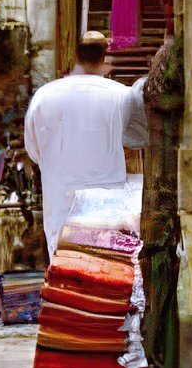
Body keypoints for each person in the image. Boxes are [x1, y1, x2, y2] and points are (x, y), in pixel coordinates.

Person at [22, 31, 148, 258]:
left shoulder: (44, 96)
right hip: (108, 211)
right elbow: (139, 142)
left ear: (75, 55)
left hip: (61, 206)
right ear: (104, 55)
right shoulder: (122, 95)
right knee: (105, 277)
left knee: (64, 280)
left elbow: (34, 152)